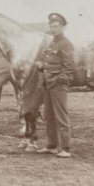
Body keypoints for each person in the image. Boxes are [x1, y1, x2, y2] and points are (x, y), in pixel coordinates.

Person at [35, 12, 76, 158]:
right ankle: (51, 145)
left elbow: (69, 68)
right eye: (51, 26)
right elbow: (53, 63)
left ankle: (65, 148)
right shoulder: (52, 42)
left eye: (56, 26)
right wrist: (41, 66)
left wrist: (58, 80)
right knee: (49, 116)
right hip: (47, 84)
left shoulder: (66, 44)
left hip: (58, 85)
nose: (53, 29)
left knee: (61, 117)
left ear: (62, 27)